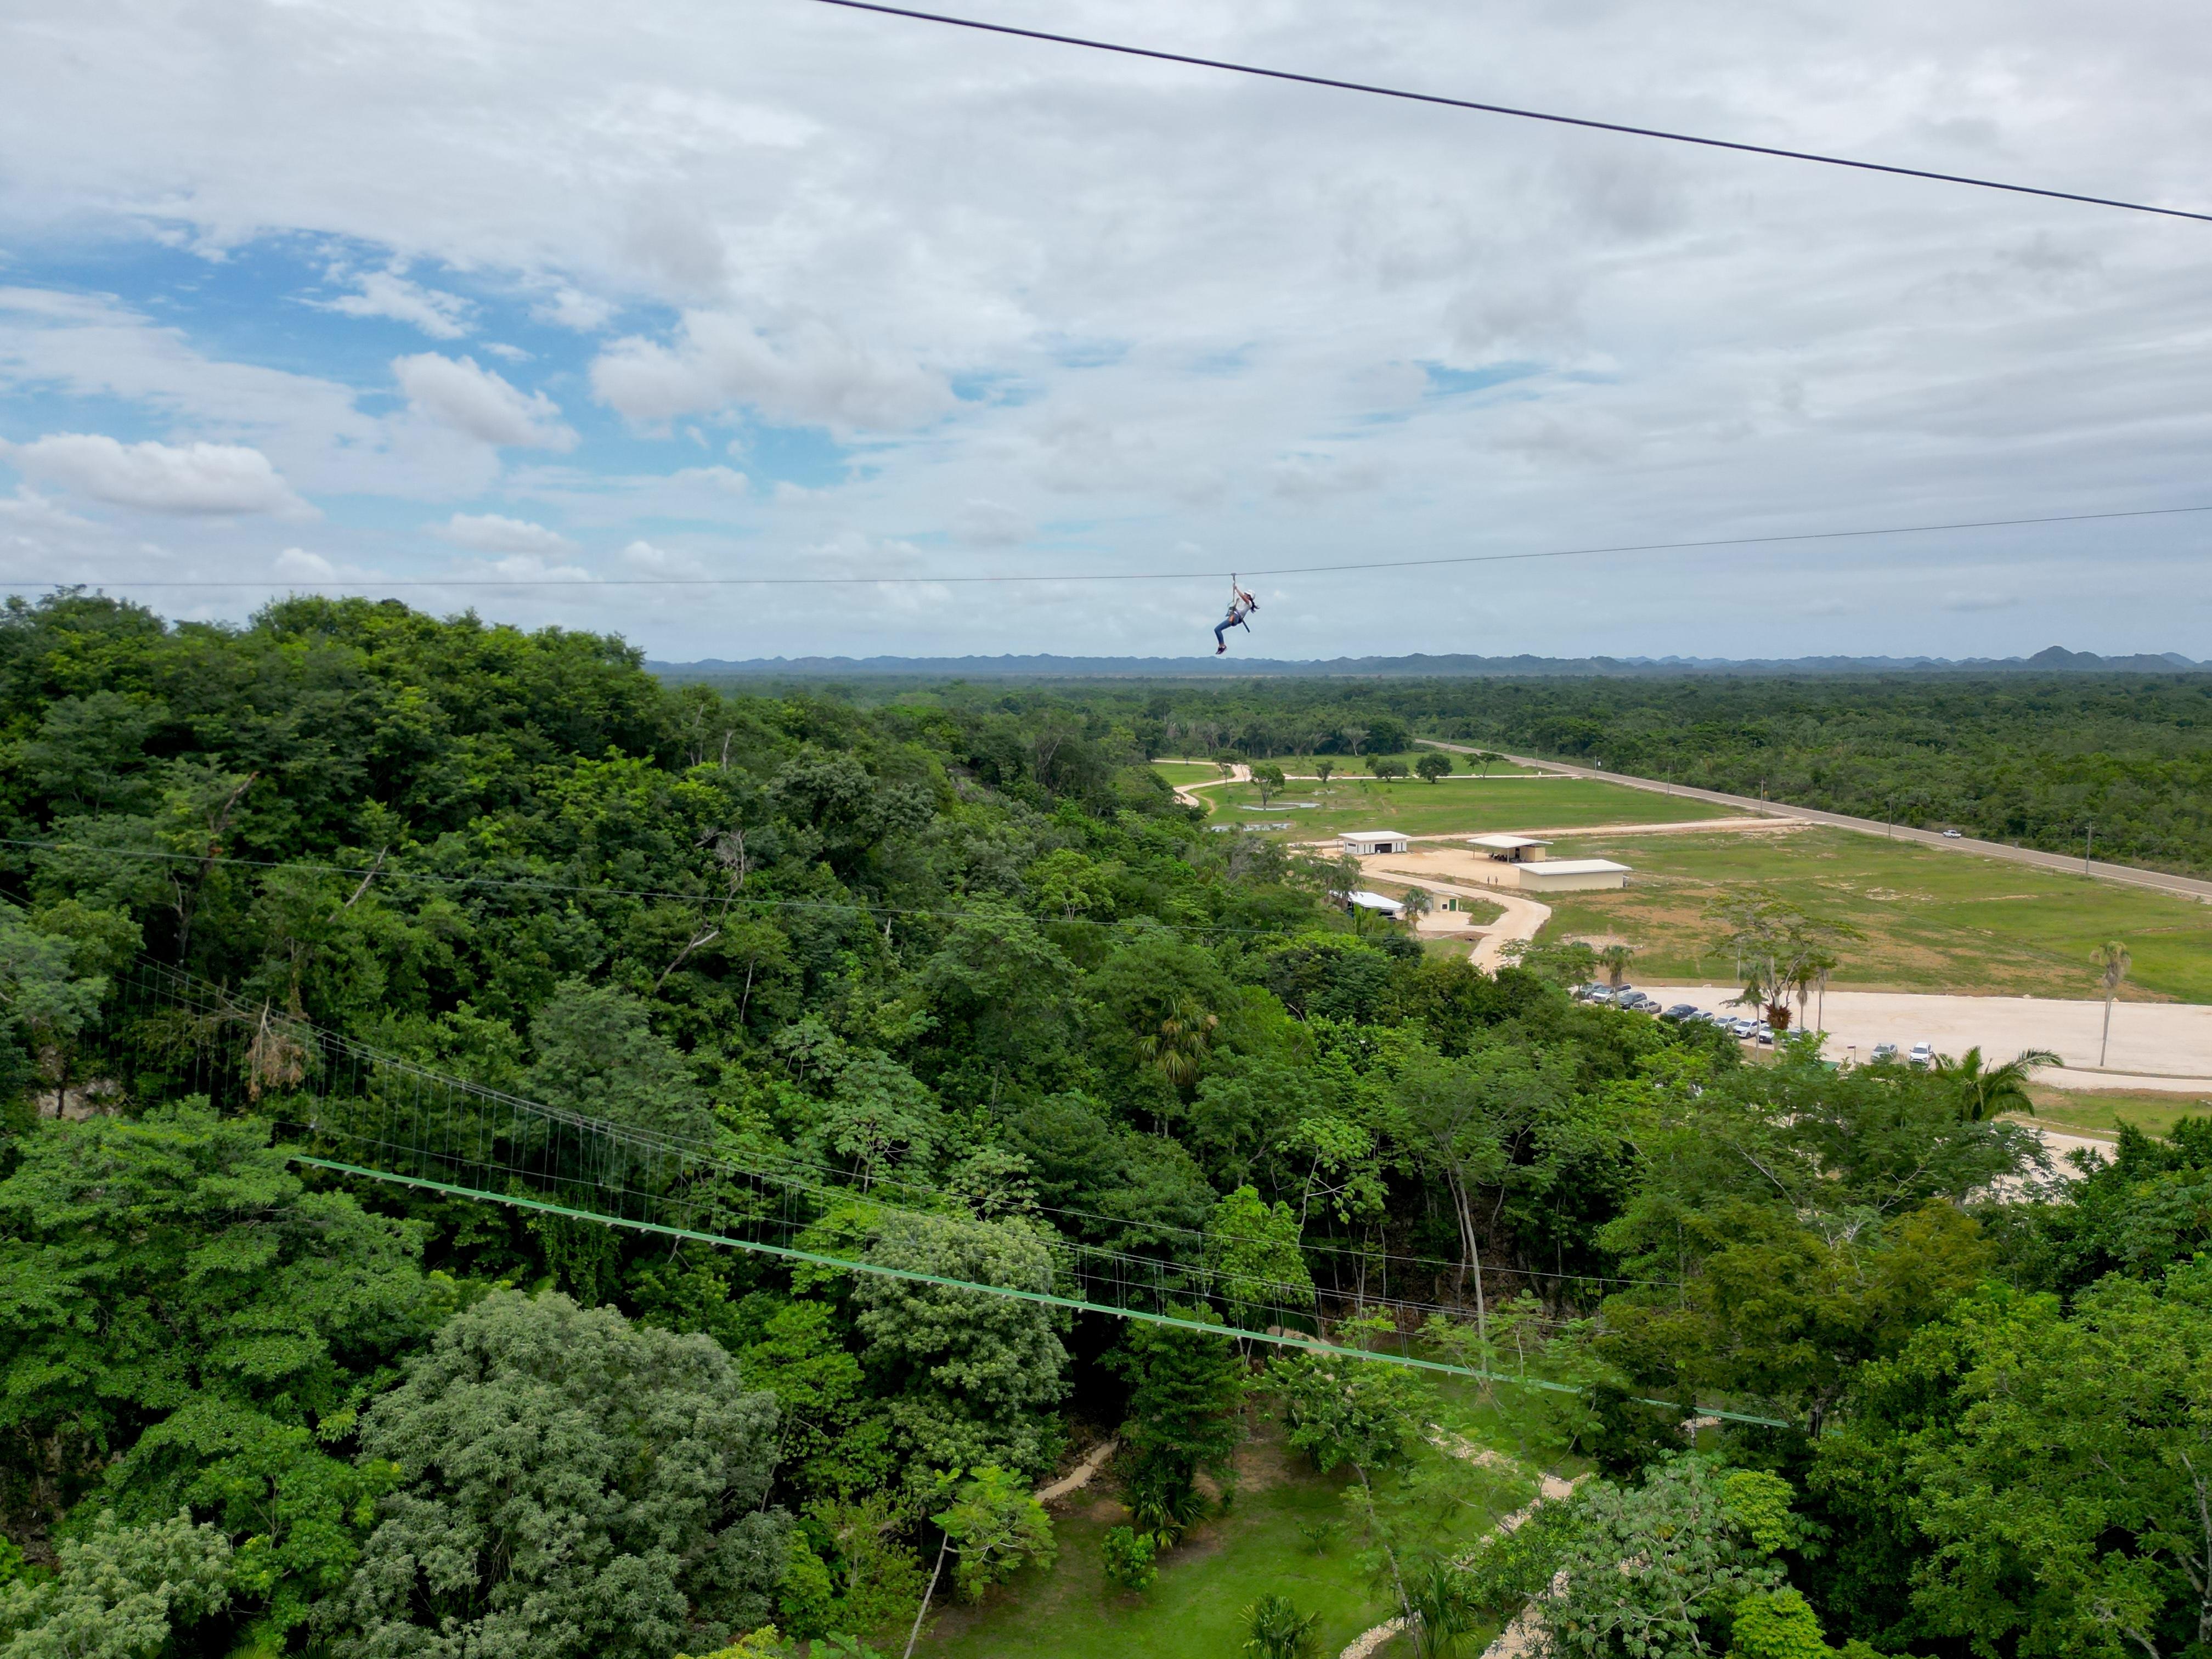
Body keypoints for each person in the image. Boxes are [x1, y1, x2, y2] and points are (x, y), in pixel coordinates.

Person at [1214, 579, 1258, 654]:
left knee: (1233, 616)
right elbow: (1238, 601)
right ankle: (1222, 645)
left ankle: (1231, 618)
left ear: (1249, 597)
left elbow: (1243, 598)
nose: (1245, 595)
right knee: (1217, 630)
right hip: (1234, 615)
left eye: (1247, 595)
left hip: (1237, 617)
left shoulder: (1249, 604)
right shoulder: (1241, 600)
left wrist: (1237, 589)